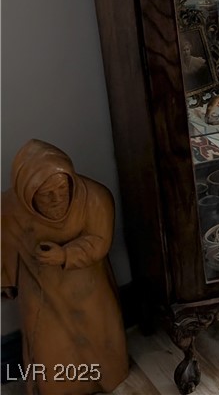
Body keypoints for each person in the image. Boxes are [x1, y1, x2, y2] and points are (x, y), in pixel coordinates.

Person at [1, 140, 129, 394]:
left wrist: (65, 254)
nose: (57, 198)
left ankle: (103, 379)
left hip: (90, 289)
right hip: (41, 293)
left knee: (101, 338)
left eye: (62, 188)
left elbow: (100, 241)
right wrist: (4, 278)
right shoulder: (9, 209)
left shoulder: (95, 197)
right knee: (49, 345)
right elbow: (4, 243)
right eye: (46, 194)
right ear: (28, 194)